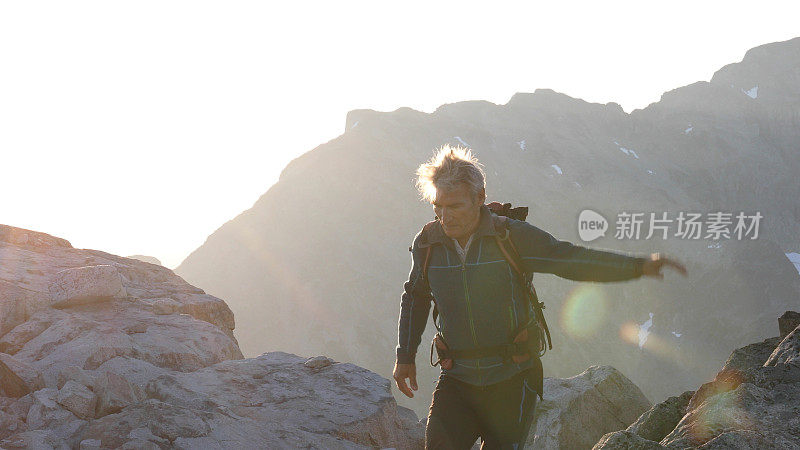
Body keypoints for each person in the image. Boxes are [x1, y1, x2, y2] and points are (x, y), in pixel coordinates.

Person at [393, 145, 688, 449]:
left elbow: (569, 259)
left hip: (512, 378)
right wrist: (405, 357)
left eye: (454, 206)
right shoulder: (428, 243)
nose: (445, 216)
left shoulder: (511, 237)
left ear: (479, 198)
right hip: (457, 379)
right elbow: (415, 296)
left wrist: (638, 266)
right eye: (437, 206)